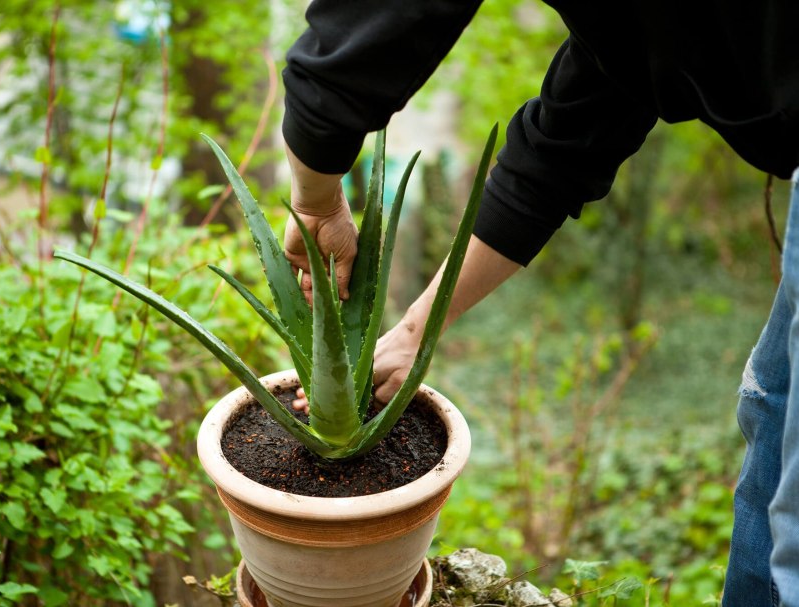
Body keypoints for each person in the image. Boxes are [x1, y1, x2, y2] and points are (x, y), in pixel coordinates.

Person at [278, 1, 798, 605]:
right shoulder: (640, 31)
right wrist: (412, 335)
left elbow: (376, 24)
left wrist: (315, 200)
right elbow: (562, 148)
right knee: (774, 406)